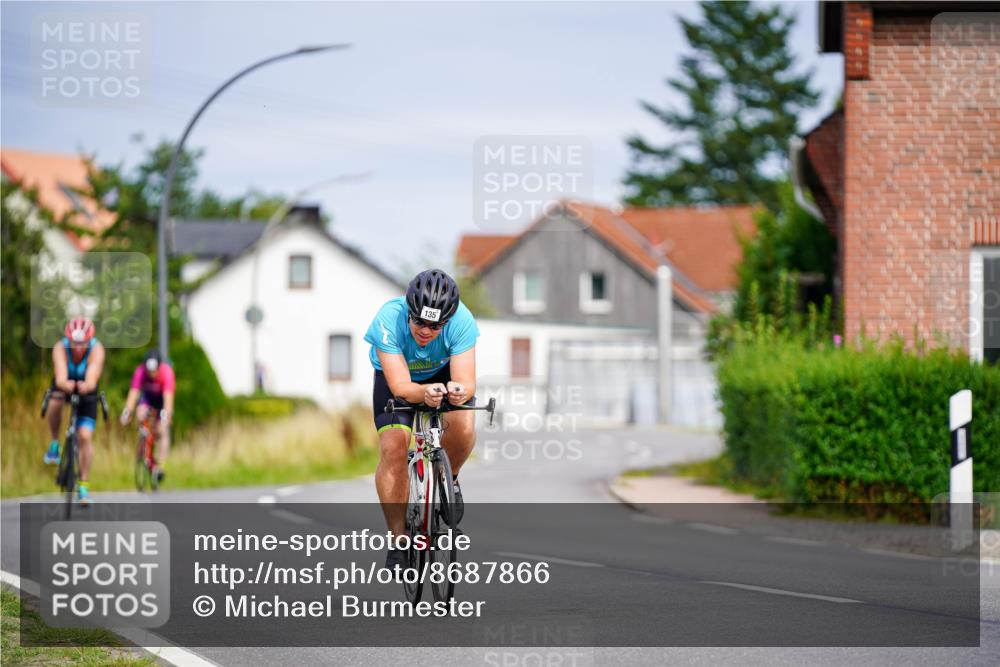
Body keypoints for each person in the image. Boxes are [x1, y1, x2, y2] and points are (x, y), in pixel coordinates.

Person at [364, 269, 480, 571]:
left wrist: (458, 391)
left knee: (465, 426)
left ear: (448, 319)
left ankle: (448, 479)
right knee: (393, 446)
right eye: (419, 322)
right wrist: (424, 393)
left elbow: (467, 380)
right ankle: (399, 540)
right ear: (409, 311)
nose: (426, 331)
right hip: (398, 377)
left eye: (436, 325)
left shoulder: (462, 321)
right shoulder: (388, 319)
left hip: (442, 372)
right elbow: (401, 388)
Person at [44, 317, 105, 506]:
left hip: (87, 388)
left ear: (89, 340)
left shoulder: (97, 349)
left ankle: (84, 485)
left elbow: (92, 377)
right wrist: (65, 385)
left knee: (85, 436)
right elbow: (60, 376)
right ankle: (55, 443)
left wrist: (86, 385)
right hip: (66, 385)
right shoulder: (60, 348)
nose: (78, 348)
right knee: (55, 401)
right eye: (74, 343)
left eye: (82, 343)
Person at [120, 349, 176, 484]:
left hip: (162, 400)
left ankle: (160, 466)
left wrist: (165, 417)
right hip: (147, 399)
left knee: (162, 430)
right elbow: (134, 393)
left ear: (159, 366)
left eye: (154, 371)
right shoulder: (140, 372)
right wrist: (127, 412)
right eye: (148, 371)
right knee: (140, 413)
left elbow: (168, 399)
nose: (151, 374)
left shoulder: (167, 373)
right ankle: (144, 442)